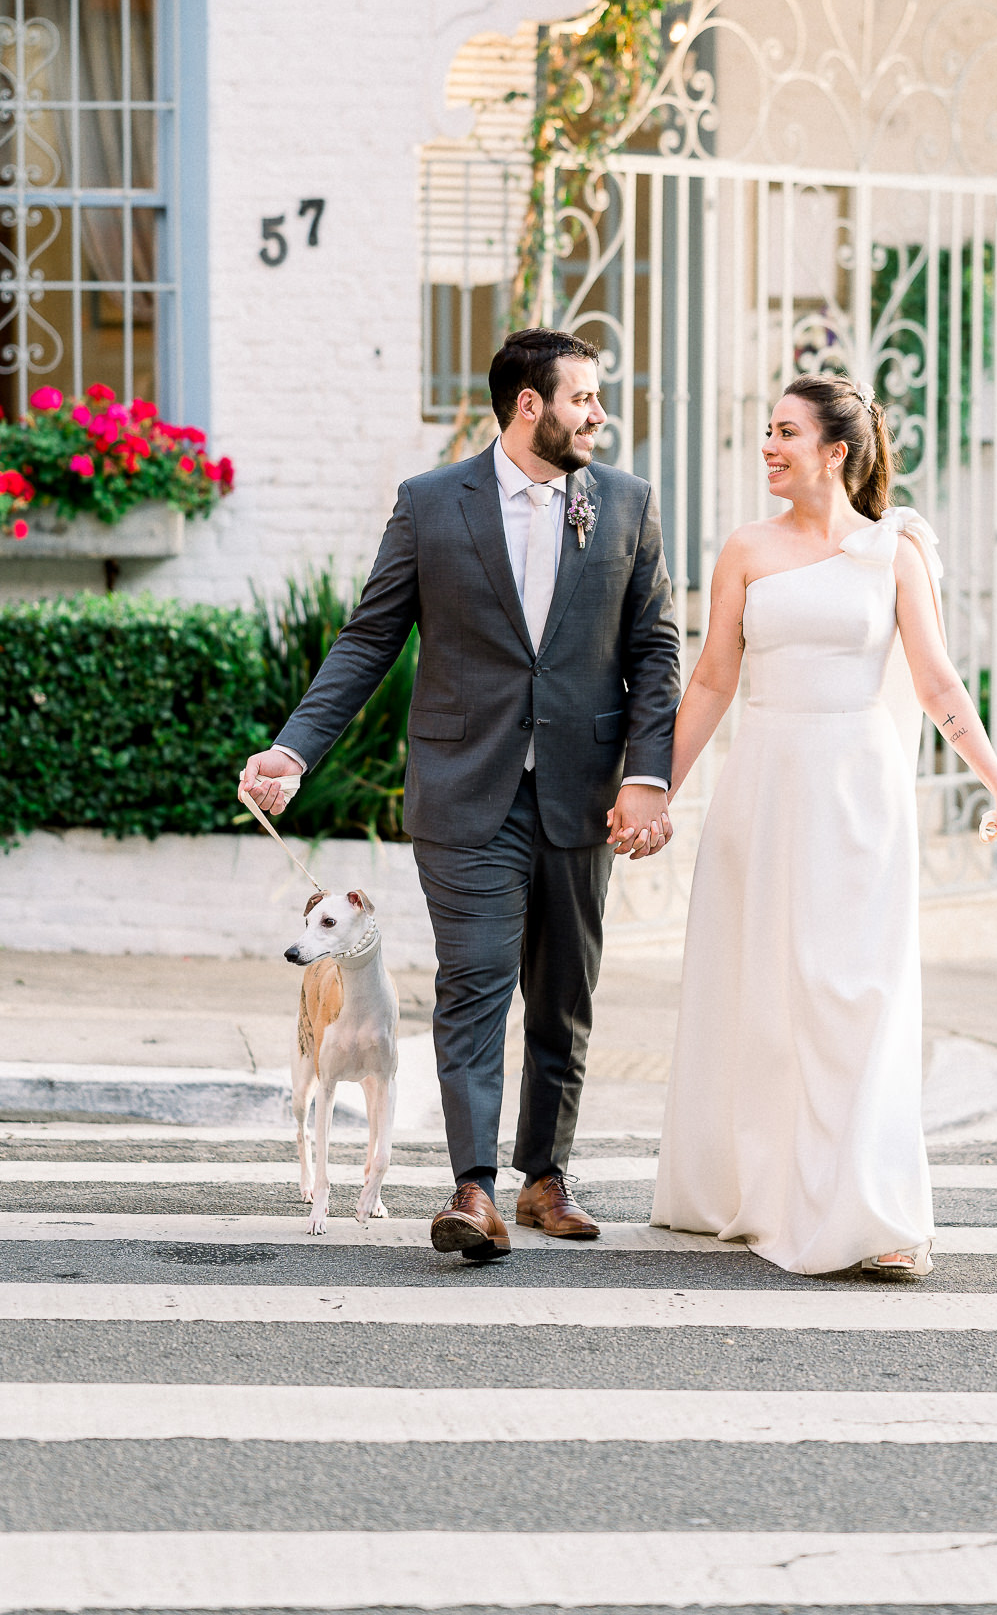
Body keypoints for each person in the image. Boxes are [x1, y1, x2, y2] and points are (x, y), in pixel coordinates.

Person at [241, 329, 681, 1259]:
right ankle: (473, 1188)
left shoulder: (627, 505)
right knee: (473, 984)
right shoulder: (432, 505)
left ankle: (545, 1176)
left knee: (562, 993)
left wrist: (648, 777)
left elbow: (654, 649)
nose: (599, 414)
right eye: (584, 399)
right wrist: (294, 750)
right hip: (464, 790)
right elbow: (370, 638)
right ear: (531, 406)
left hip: (581, 793)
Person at [650, 373, 997, 1279]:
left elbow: (937, 683)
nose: (769, 446)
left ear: (836, 451)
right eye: (765, 430)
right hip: (765, 785)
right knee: (766, 993)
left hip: (858, 792)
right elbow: (710, 681)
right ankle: (760, 1186)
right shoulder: (744, 549)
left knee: (855, 994)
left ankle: (874, 1210)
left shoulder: (894, 551)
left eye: (786, 432)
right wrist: (654, 788)